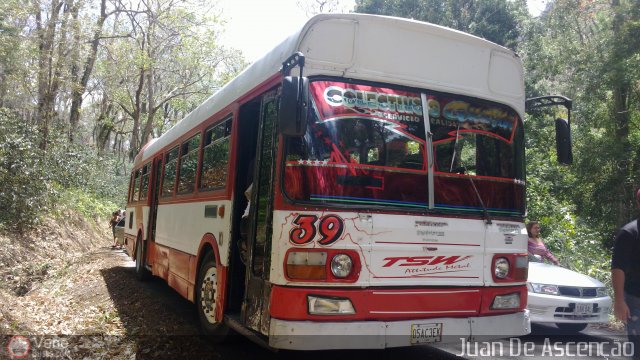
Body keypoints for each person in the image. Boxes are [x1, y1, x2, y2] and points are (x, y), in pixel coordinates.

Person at [611, 188, 640, 359]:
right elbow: (617, 268)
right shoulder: (629, 233)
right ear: (638, 204)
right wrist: (619, 301)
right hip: (636, 300)